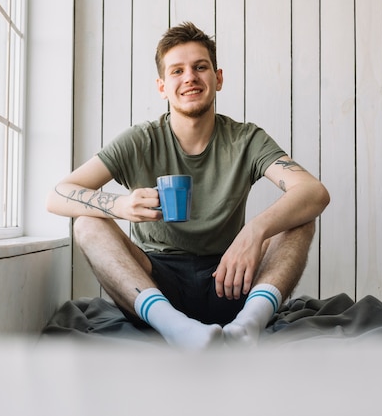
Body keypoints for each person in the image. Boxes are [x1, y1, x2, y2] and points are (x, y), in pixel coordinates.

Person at [46, 22, 330, 350]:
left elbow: (313, 191)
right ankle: (174, 327)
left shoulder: (246, 139)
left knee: (299, 218)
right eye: (177, 71)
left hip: (230, 279)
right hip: (155, 282)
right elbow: (56, 195)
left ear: (218, 78)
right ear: (162, 86)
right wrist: (119, 205)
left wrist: (255, 230)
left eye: (200, 67)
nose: (190, 78)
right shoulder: (140, 140)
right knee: (87, 223)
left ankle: (249, 325)